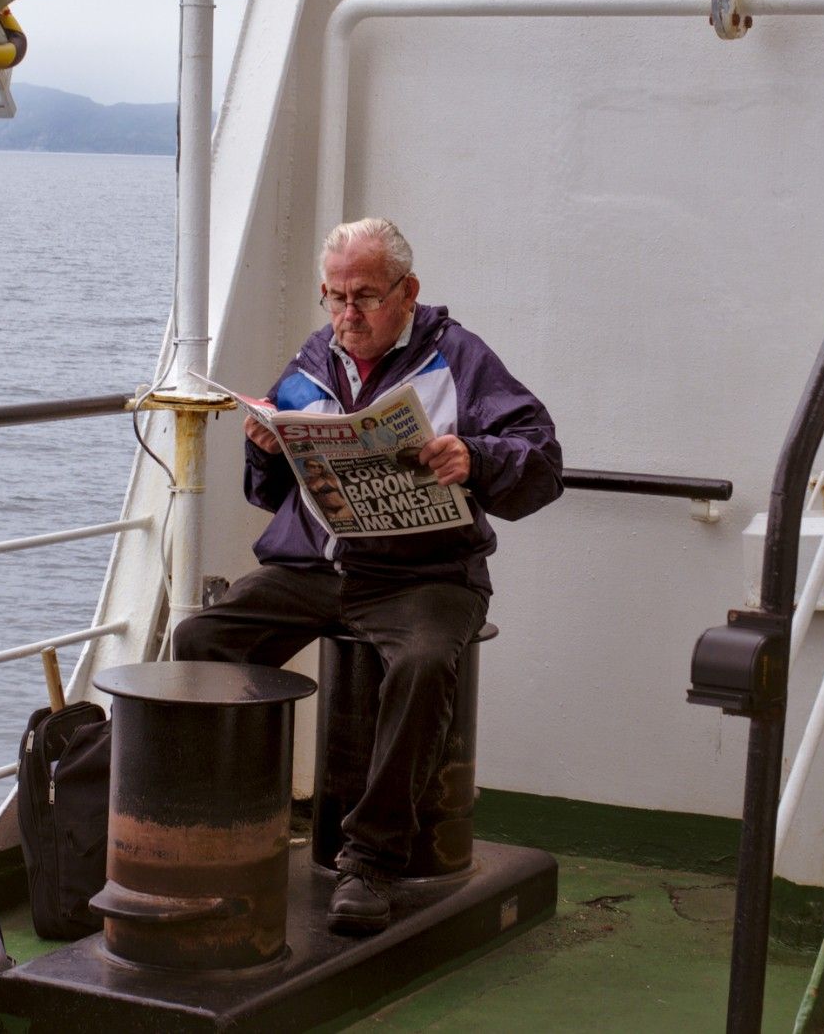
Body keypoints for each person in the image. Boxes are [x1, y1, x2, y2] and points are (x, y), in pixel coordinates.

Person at [172, 218, 563, 934]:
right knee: (200, 638)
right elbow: (268, 492)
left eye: (365, 297)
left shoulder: (462, 359)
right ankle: (235, 827)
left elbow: (542, 460)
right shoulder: (314, 359)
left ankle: (372, 859)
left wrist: (474, 457)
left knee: (420, 664)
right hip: (317, 568)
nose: (347, 315)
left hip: (426, 575)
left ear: (408, 292)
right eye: (334, 297)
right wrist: (263, 447)